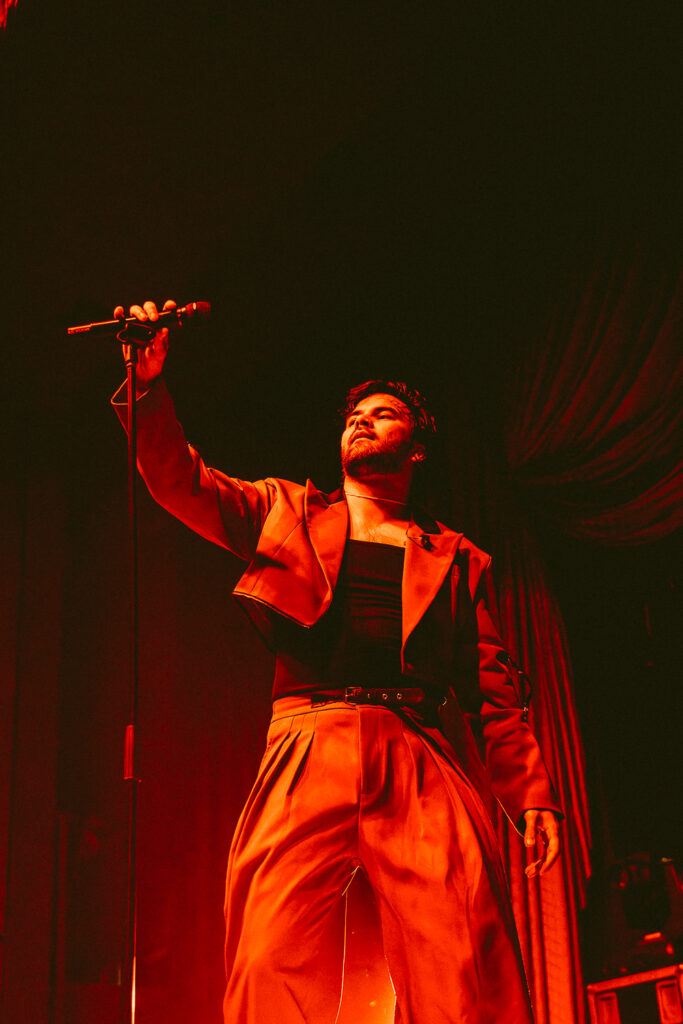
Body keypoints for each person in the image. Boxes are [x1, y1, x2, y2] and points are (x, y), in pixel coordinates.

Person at [112, 299, 563, 1024]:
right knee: (268, 954)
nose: (363, 422)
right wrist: (147, 385)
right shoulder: (285, 513)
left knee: (462, 959)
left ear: (416, 448)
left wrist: (531, 791)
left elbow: (493, 693)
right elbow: (179, 481)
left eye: (384, 415)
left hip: (416, 750)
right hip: (307, 740)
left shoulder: (456, 558)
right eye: (355, 415)